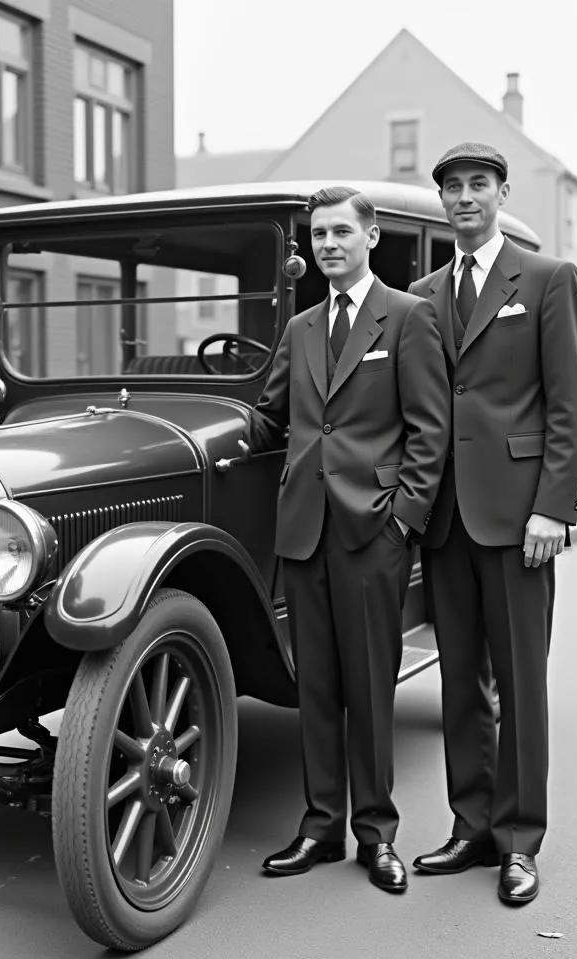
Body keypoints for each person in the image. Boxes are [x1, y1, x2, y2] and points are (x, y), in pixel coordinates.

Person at [249, 186, 450, 893]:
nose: (327, 245)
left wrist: (404, 519)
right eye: (317, 236)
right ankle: (318, 827)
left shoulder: (409, 318)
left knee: (369, 685)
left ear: (370, 237)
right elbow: (270, 417)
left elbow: (431, 430)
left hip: (374, 532)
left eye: (340, 232)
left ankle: (377, 834)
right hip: (304, 530)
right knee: (319, 686)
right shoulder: (301, 327)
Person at [409, 143, 577, 905]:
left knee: (519, 684)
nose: (463, 197)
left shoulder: (548, 279)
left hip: (521, 518)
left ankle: (520, 843)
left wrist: (554, 506)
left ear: (501, 193)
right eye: (452, 187)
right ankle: (472, 825)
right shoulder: (422, 293)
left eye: (477, 185)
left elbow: (572, 404)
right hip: (447, 521)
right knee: (461, 683)